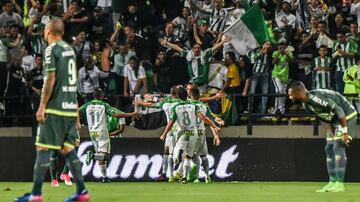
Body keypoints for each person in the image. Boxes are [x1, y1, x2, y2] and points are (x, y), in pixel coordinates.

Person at [15, 19, 89, 202]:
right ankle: (82, 192)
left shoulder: (51, 49)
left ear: (48, 31)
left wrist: (42, 106)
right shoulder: (69, 50)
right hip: (71, 106)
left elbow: (50, 78)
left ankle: (36, 194)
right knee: (67, 148)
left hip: (56, 107)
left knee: (42, 147)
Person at [288, 81, 357, 192]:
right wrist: (329, 129)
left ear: (299, 93)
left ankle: (339, 185)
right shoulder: (306, 104)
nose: (289, 96)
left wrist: (345, 132)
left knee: (338, 146)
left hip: (347, 116)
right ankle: (332, 182)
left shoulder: (316, 99)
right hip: (334, 120)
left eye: (291, 94)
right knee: (329, 148)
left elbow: (339, 110)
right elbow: (321, 116)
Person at [160, 86, 219, 184]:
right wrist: (214, 126)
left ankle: (179, 166)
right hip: (194, 133)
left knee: (174, 154)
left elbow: (170, 122)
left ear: (178, 96)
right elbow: (203, 118)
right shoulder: (194, 106)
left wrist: (164, 134)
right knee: (190, 156)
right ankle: (189, 177)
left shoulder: (176, 107)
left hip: (182, 133)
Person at [82, 88, 141, 183]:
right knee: (105, 156)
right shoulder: (104, 105)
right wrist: (131, 114)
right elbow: (116, 115)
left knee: (101, 155)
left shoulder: (87, 105)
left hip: (92, 132)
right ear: (101, 96)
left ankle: (104, 177)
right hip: (102, 132)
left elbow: (78, 111)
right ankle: (92, 155)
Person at [135, 86, 180, 182]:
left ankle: (166, 174)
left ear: (171, 93)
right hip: (182, 130)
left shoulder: (166, 103)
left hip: (171, 131)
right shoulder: (182, 101)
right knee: (182, 152)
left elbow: (155, 105)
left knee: (167, 152)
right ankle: (180, 174)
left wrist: (141, 102)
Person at [160, 35, 231, 94]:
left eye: (198, 48)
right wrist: (167, 43)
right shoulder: (189, 55)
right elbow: (177, 48)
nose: (197, 49)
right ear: (192, 49)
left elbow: (214, 48)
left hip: (203, 86)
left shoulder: (205, 55)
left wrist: (223, 41)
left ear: (200, 49)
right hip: (192, 85)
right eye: (195, 48)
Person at [189, 88, 221, 183]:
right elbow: (209, 119)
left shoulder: (189, 105)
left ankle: (196, 177)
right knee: (203, 156)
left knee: (194, 156)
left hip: (192, 133)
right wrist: (216, 135)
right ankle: (207, 176)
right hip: (201, 133)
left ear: (191, 95)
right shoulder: (203, 106)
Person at [270, 39, 293, 115]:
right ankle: (276, 108)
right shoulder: (275, 53)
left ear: (285, 47)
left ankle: (281, 109)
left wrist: (286, 54)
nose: (281, 49)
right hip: (276, 75)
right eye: (280, 47)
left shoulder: (288, 53)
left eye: (283, 47)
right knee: (279, 90)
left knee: (283, 92)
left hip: (285, 76)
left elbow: (291, 60)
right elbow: (274, 62)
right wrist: (278, 54)